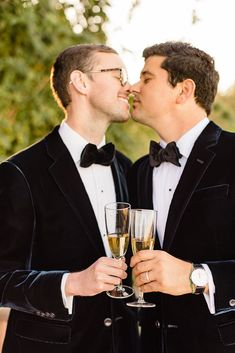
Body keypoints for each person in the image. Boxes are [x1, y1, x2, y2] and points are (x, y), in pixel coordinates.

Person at [0, 44, 137, 353]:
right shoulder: (19, 172)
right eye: (118, 74)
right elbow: (2, 279)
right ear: (81, 82)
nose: (127, 86)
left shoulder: (129, 169)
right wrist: (71, 284)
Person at [128, 41, 235, 353]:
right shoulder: (138, 172)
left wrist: (196, 276)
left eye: (147, 79)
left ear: (184, 91)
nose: (134, 86)